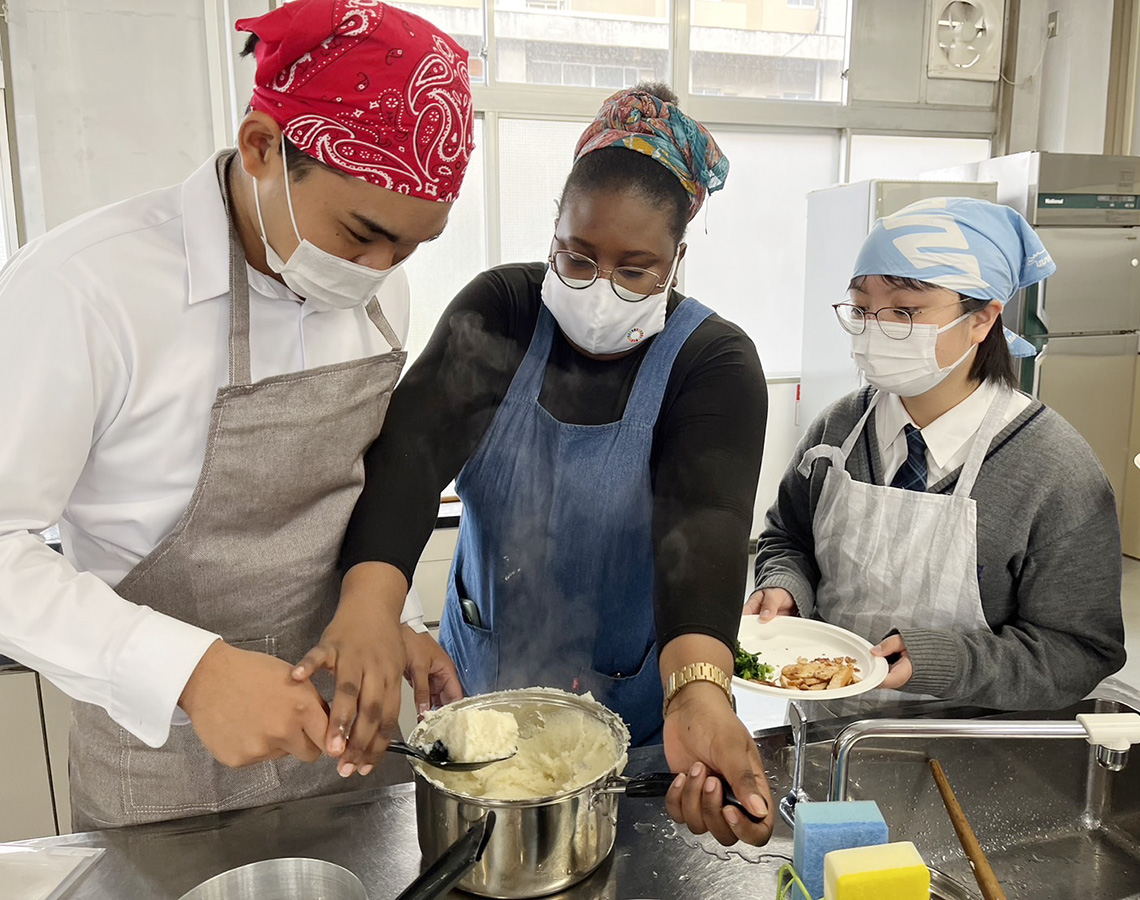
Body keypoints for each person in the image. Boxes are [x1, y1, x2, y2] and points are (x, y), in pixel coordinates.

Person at [0, 0, 474, 829]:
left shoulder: (374, 288)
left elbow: (344, 492)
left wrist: (393, 621)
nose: (379, 269)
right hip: (159, 781)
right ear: (261, 148)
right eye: (363, 233)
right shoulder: (85, 290)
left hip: (346, 761)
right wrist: (191, 672)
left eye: (409, 247)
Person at [339, 84, 774, 846]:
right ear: (553, 230)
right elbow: (405, 463)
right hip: (481, 703)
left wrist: (699, 695)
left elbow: (704, 530)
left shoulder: (712, 363)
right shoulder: (501, 314)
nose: (600, 289)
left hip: (642, 727)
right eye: (576, 256)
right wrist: (375, 611)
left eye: (636, 269)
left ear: (678, 259)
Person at [747, 197, 1126, 712]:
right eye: (861, 308)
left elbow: (1081, 651)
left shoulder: (1055, 471)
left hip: (972, 746)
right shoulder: (839, 429)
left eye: (905, 310)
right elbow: (788, 536)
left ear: (982, 319)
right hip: (826, 722)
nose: (876, 328)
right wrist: (785, 585)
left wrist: (946, 661)